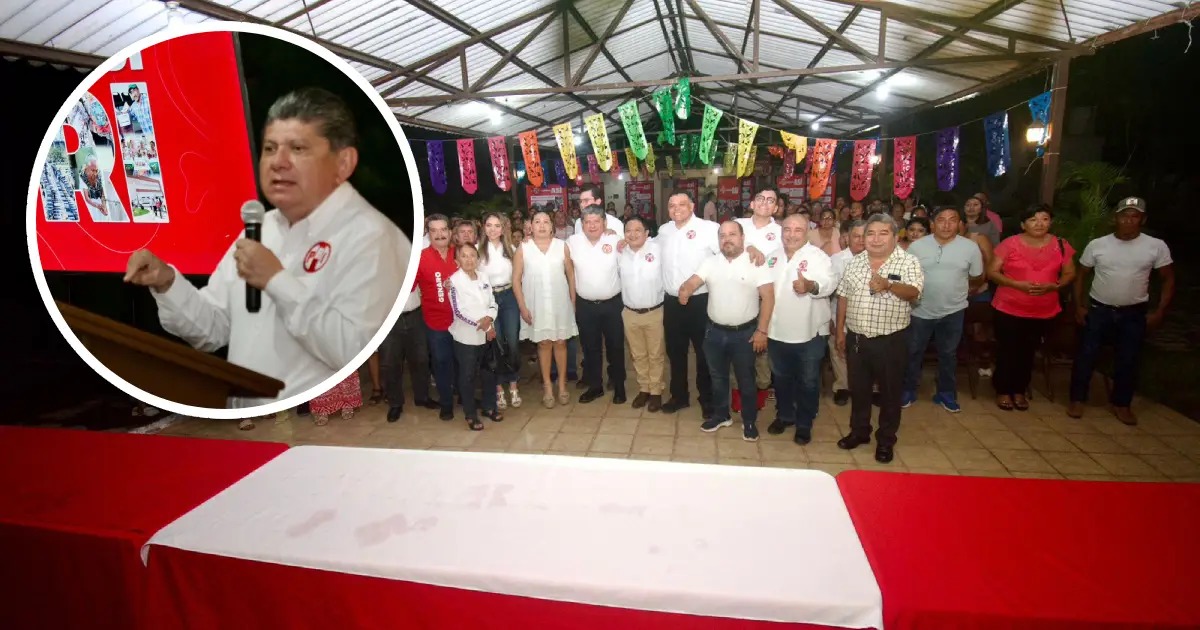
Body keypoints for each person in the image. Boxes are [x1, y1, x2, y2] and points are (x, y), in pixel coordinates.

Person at [123, 87, 408, 425]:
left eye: (298, 148)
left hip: (306, 426)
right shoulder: (259, 229)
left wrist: (276, 280)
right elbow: (211, 330)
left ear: (343, 162)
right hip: (246, 418)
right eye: (270, 148)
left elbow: (352, 349)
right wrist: (167, 283)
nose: (278, 162)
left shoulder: (372, 237)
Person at [1069, 197, 1174, 425]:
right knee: (1086, 355)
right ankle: (1077, 399)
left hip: (1133, 313)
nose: (1129, 220)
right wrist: (1079, 305)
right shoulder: (1098, 244)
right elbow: (1080, 276)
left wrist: (1160, 310)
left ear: (1142, 219)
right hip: (1099, 309)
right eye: (1124, 215)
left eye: (1134, 216)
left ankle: (1122, 404)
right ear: (1115, 218)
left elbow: (1167, 279)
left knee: (1129, 358)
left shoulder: (1156, 246)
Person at [835, 214, 924, 463]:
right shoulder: (855, 262)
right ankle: (859, 431)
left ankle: (885, 440)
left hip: (891, 340)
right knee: (859, 389)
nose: (875, 239)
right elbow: (843, 296)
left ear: (894, 237)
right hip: (857, 337)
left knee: (890, 393)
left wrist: (889, 285)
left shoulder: (908, 261)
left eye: (883, 233)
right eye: (870, 234)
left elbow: (914, 292)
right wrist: (840, 330)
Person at [677, 221, 775, 440]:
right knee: (717, 378)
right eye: (722, 235)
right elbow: (693, 281)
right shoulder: (711, 262)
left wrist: (762, 331)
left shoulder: (756, 262)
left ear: (742, 238)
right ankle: (721, 415)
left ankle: (749, 421)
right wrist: (686, 289)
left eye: (732, 234)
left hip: (745, 334)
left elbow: (768, 296)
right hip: (714, 333)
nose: (727, 239)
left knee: (746, 380)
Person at [987, 203, 1076, 412]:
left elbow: (1070, 273)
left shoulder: (1061, 245)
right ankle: (1003, 389)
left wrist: (1055, 286)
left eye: (1044, 219)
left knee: (1028, 351)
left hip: (1043, 309)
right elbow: (992, 272)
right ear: (1023, 224)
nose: (1039, 223)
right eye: (1033, 219)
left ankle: (1019, 389)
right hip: (1009, 307)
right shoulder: (1010, 244)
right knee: (1008, 349)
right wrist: (1015, 284)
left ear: (1050, 222)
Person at [902, 207, 984, 413]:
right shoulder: (917, 247)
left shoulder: (970, 248)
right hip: (919, 310)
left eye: (952, 220)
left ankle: (946, 394)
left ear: (960, 224)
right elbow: (906, 277)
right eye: (941, 220)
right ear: (932, 224)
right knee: (913, 352)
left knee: (948, 354)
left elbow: (977, 277)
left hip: (953, 311)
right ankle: (908, 390)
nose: (946, 225)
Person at [767, 215, 835, 444]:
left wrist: (810, 285)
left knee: (808, 381)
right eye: (787, 229)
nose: (791, 234)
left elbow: (829, 283)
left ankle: (804, 424)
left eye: (798, 230)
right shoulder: (773, 256)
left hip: (810, 333)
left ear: (807, 232)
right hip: (776, 331)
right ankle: (785, 415)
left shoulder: (818, 257)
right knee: (781, 378)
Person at [658, 191, 720, 418]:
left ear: (692, 206)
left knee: (704, 353)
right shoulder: (664, 231)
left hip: (700, 301)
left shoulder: (709, 229)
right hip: (672, 302)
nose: (676, 209)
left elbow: (722, 257)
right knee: (675, 352)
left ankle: (707, 399)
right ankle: (679, 396)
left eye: (681, 204)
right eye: (672, 205)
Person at [513, 209, 578, 408]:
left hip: (560, 302)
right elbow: (516, 280)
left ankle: (562, 385)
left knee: (560, 342)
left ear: (552, 227)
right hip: (536, 304)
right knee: (543, 343)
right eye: (537, 221)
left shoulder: (562, 246)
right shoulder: (523, 248)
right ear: (530, 227)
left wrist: (572, 302)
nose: (542, 225)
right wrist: (522, 307)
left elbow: (571, 275)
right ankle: (548, 387)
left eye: (546, 221)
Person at [569, 208, 627, 404]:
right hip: (585, 306)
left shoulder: (615, 240)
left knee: (615, 347)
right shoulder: (572, 242)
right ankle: (595, 387)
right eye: (587, 221)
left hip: (612, 305)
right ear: (582, 224)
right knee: (590, 348)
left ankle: (619, 386)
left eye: (596, 221)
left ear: (604, 223)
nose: (592, 225)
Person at [736, 186, 784, 406]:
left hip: (766, 297)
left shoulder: (782, 232)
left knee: (762, 347)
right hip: (738, 294)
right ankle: (738, 393)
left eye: (770, 200)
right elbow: (724, 244)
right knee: (738, 346)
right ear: (752, 203)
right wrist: (749, 247)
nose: (765, 202)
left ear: (776, 208)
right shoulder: (738, 225)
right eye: (760, 198)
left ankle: (762, 391)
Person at [448, 244, 502, 431]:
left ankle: (489, 407)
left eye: (472, 255)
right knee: (468, 376)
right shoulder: (454, 282)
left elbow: (492, 302)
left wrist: (490, 320)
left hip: (487, 334)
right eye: (464, 256)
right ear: (457, 260)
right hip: (467, 337)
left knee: (489, 373)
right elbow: (458, 311)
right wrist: (483, 324)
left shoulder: (483, 277)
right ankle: (470, 414)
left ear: (477, 259)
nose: (469, 259)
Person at [414, 214, 459, 421]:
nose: (439, 234)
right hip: (436, 323)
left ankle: (464, 397)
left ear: (450, 231)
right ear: (428, 234)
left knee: (463, 362)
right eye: (434, 230)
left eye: (443, 230)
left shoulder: (460, 253)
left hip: (462, 322)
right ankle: (446, 403)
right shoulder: (420, 258)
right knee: (441, 363)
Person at [619, 217, 666, 412]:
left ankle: (656, 391)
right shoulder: (620, 252)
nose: (633, 234)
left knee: (655, 354)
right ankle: (644, 388)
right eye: (628, 230)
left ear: (647, 233)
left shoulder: (658, 249)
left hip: (654, 312)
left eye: (638, 230)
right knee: (637, 354)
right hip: (629, 313)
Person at [478, 212, 522, 410]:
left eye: (497, 226)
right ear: (484, 227)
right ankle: (498, 388)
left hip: (509, 296)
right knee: (496, 345)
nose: (493, 229)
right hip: (489, 299)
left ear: (503, 228)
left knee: (512, 341)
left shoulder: (511, 249)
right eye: (489, 225)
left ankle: (513, 384)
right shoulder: (478, 250)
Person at [379, 285, 437, 422]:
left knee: (421, 358)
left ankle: (422, 397)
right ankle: (395, 403)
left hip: (415, 315)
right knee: (390, 362)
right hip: (388, 319)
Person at [829, 220, 866, 406]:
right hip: (839, 312)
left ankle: (871, 388)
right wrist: (831, 320)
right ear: (847, 238)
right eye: (856, 236)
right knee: (839, 351)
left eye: (864, 236)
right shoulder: (836, 260)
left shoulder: (878, 258)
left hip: (868, 316)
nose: (860, 240)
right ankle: (842, 386)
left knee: (868, 353)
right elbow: (830, 291)